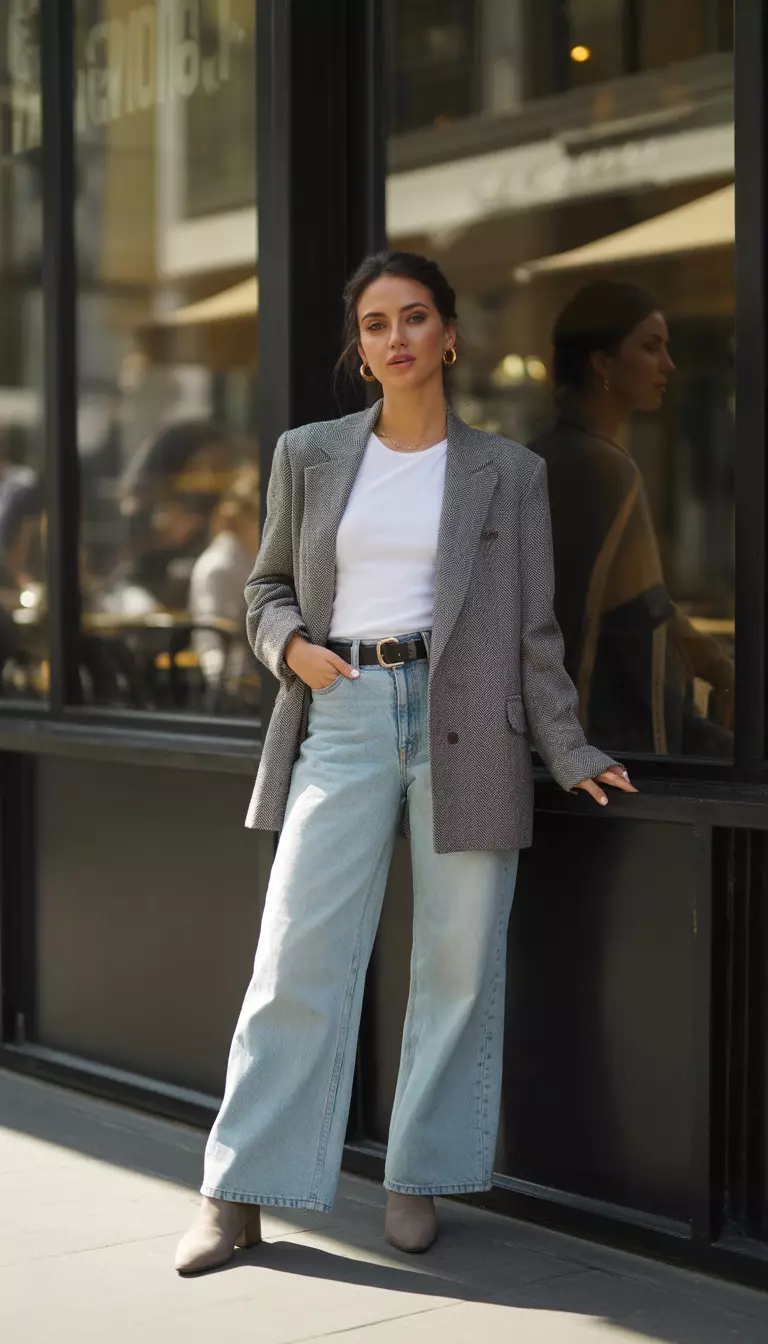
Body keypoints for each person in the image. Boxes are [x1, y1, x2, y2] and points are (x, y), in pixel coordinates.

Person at [175, 251, 635, 1277]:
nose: (396, 338)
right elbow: (263, 588)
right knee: (295, 955)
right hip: (343, 713)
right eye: (376, 323)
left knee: (459, 964)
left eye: (414, 317)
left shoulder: (509, 474)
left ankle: (417, 1175)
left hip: (471, 720)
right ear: (361, 347)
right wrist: (293, 648)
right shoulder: (310, 455)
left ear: (449, 334)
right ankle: (236, 1189)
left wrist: (565, 746)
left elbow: (537, 631)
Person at [528, 281, 733, 758]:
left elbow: (642, 601)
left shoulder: (544, 455)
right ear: (603, 363)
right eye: (650, 347)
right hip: (605, 746)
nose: (668, 366)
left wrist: (716, 663)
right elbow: (619, 622)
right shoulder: (602, 466)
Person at [188, 463, 261, 696]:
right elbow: (212, 643)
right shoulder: (218, 567)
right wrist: (232, 691)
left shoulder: (250, 557)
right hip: (235, 686)